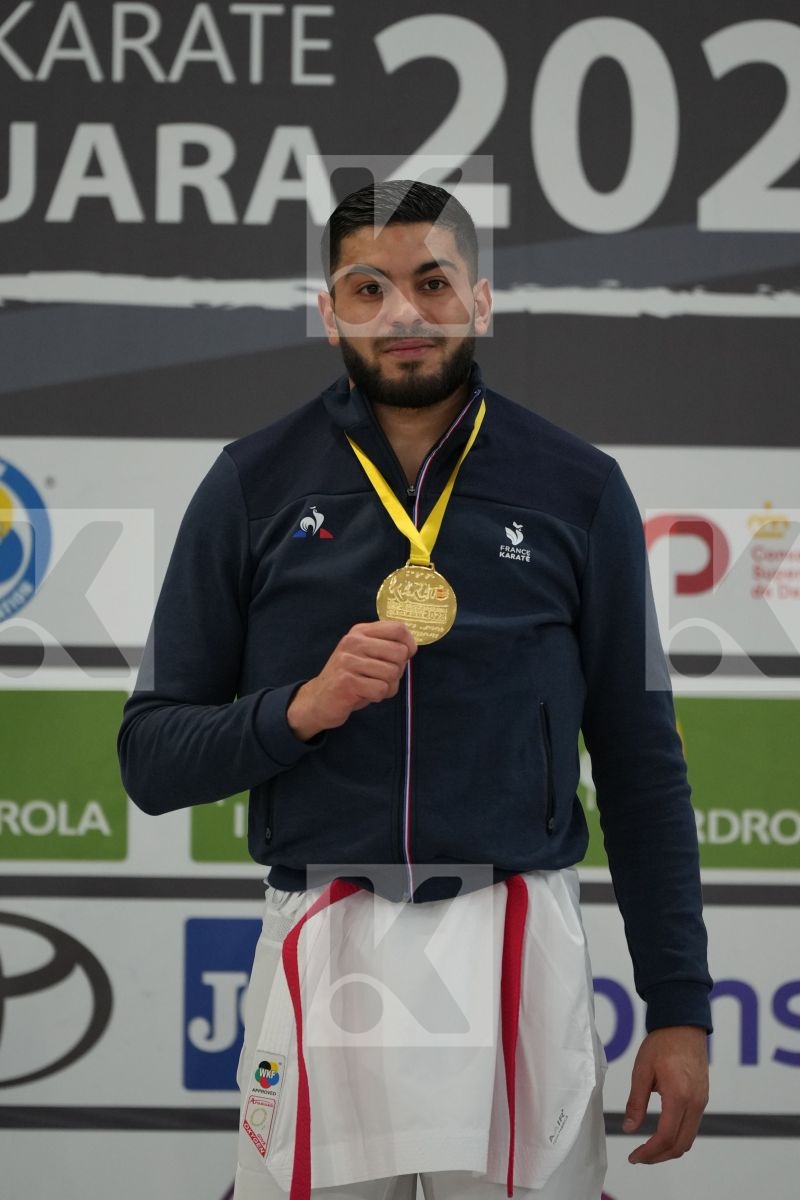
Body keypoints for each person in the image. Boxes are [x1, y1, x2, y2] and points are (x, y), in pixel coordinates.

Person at [118, 179, 711, 1200]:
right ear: (328, 311)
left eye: (431, 283)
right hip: (322, 928)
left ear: (478, 300)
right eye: (367, 288)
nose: (402, 314)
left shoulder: (575, 487)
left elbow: (639, 764)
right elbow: (150, 760)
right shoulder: (252, 485)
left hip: (515, 933)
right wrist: (296, 710)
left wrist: (678, 1009)